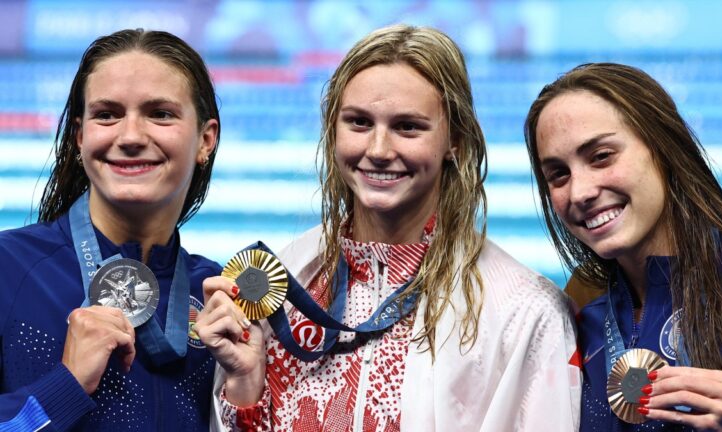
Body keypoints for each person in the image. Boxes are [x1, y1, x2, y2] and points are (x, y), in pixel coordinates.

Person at [194, 24, 580, 431]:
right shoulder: (284, 287)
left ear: (457, 141)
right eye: (359, 123)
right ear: (332, 130)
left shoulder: (523, 311)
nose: (378, 151)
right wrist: (244, 383)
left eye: (408, 127)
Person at [524, 62, 722, 431]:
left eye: (601, 156)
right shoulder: (579, 317)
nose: (580, 192)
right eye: (559, 174)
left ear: (664, 149)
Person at [0, 29, 221, 430]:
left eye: (160, 113)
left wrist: (244, 395)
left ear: (206, 140)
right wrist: (65, 385)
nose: (131, 136)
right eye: (107, 114)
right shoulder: (8, 269)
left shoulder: (217, 295)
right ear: (81, 137)